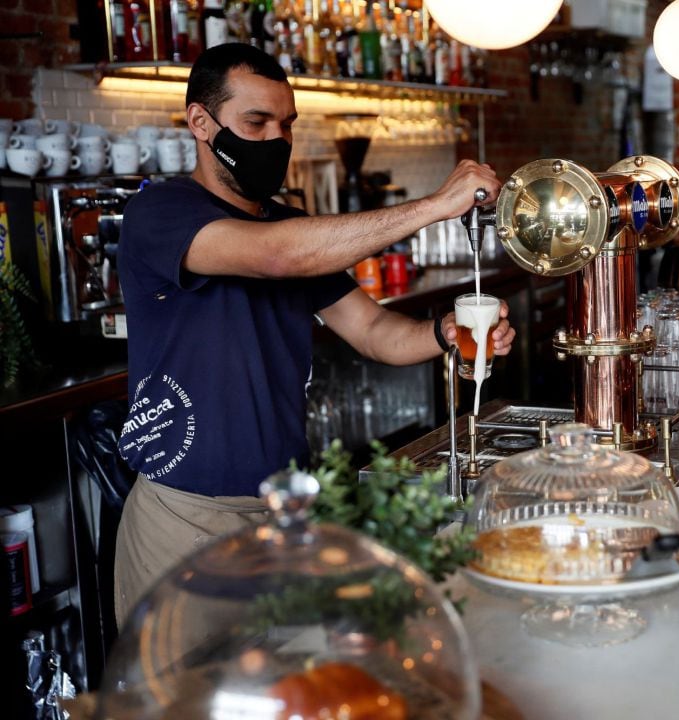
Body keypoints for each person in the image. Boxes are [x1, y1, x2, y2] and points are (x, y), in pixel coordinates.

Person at [113, 43, 514, 624]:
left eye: (287, 124)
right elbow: (276, 258)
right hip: (186, 518)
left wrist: (444, 333)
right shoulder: (162, 212)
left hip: (284, 514)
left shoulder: (289, 227)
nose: (277, 139)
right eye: (256, 122)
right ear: (201, 122)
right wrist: (432, 206)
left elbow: (376, 330)